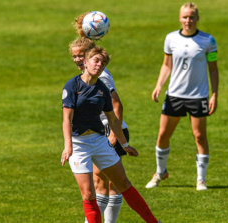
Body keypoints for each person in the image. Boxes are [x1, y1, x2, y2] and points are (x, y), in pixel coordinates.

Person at [62, 46, 160, 223]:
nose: (99, 65)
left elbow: (113, 119)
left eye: (103, 62)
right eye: (96, 60)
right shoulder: (72, 86)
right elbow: (66, 119)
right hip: (79, 144)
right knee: (88, 193)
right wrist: (68, 146)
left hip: (99, 141)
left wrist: (124, 144)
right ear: (85, 62)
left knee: (123, 184)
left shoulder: (103, 89)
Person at [145, 2, 219, 191]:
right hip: (174, 95)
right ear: (179, 18)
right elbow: (166, 65)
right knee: (162, 135)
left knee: (200, 136)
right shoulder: (170, 39)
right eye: (185, 17)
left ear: (197, 19)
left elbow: (213, 69)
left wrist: (214, 95)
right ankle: (160, 172)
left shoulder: (208, 41)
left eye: (192, 17)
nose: (188, 20)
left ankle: (201, 179)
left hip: (198, 96)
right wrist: (158, 85)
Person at [72, 13, 130, 223]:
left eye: (81, 56)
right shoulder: (89, 72)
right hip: (100, 131)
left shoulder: (101, 75)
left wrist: (115, 136)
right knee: (102, 183)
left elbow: (117, 104)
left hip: (109, 130)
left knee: (109, 183)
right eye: (75, 57)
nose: (78, 60)